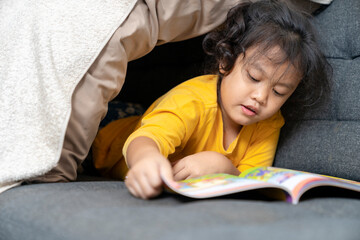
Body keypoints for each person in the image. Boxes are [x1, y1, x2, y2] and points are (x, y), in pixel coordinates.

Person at [92, 0, 331, 199]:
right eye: (253, 77)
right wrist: (146, 160)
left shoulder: (268, 122)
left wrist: (223, 168)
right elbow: (147, 137)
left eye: (279, 92)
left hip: (149, 120)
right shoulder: (192, 101)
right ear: (225, 62)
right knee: (101, 116)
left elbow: (253, 179)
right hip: (108, 138)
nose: (261, 97)